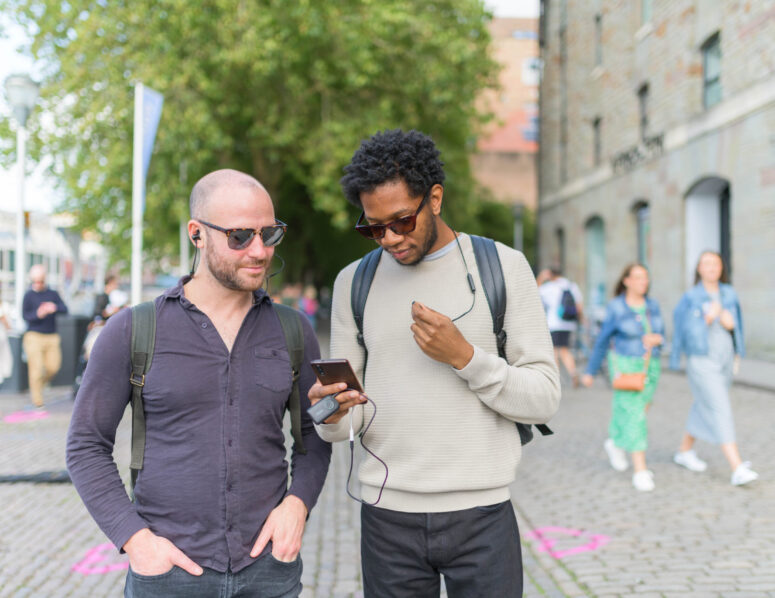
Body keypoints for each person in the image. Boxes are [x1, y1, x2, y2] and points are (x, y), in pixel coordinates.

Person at [309, 129, 560, 597]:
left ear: (436, 199)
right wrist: (335, 412)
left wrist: (465, 357)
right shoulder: (353, 283)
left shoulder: (502, 267)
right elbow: (350, 422)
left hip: (483, 518)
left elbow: (544, 399)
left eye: (402, 221)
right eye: (372, 227)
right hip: (387, 522)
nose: (387, 238)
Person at [66, 169, 332, 597]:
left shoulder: (293, 330)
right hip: (167, 572)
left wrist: (297, 505)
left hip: (269, 571)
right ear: (197, 234)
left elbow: (313, 434)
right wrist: (135, 539)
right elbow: (84, 445)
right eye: (240, 236)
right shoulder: (132, 331)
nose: (260, 251)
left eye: (270, 234)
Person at [670, 250, 757, 486]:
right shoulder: (690, 297)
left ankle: (684, 451)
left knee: (704, 403)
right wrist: (707, 319)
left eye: (716, 263)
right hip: (701, 360)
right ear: (698, 268)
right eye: (706, 263)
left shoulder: (729, 293)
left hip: (725, 358)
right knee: (720, 407)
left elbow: (736, 326)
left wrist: (731, 326)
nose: (711, 267)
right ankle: (737, 467)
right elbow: (682, 332)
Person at [581, 264, 664, 492]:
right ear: (626, 280)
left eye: (645, 277)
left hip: (651, 367)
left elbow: (662, 334)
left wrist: (659, 340)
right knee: (636, 415)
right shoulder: (617, 307)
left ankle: (616, 443)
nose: (642, 282)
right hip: (626, 364)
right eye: (637, 278)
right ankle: (640, 470)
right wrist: (590, 370)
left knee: (637, 410)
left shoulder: (652, 305)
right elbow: (602, 340)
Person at [22, 264, 68, 409]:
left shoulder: (52, 294)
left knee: (53, 367)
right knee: (36, 368)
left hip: (51, 335)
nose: (38, 284)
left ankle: (40, 386)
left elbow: (65, 309)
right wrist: (38, 314)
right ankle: (38, 401)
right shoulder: (28, 295)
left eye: (41, 280)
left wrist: (53, 307)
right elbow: (25, 315)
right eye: (36, 281)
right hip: (34, 335)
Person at [538, 266, 584, 387]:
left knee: (554, 352)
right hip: (568, 324)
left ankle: (555, 378)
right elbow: (579, 306)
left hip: (554, 323)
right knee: (564, 349)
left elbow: (533, 294)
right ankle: (573, 373)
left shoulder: (548, 287)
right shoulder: (571, 286)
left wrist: (541, 278)